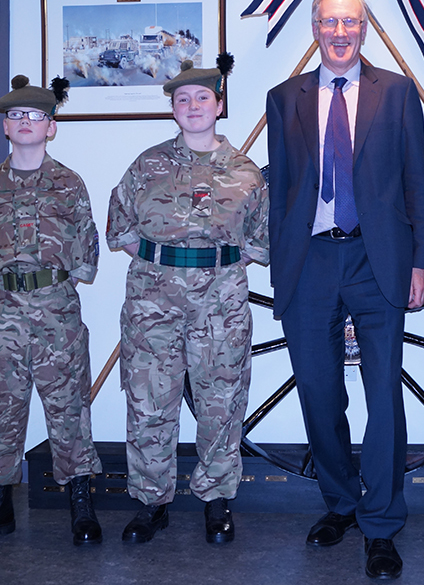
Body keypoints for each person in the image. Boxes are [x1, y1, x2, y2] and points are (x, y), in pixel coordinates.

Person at [265, 0, 424, 580]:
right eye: (330, 22)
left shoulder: (399, 92)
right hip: (309, 261)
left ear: (365, 28)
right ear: (315, 28)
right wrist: (280, 265)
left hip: (378, 259)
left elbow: (416, 181)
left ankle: (382, 524)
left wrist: (421, 262)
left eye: (351, 22)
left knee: (383, 394)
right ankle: (340, 502)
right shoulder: (283, 98)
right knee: (317, 391)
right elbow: (281, 192)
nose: (341, 33)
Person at [106, 55, 269, 545]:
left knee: (222, 401)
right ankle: (151, 501)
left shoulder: (247, 173)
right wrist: (167, 264)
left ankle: (216, 499)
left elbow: (258, 242)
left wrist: (208, 269)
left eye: (202, 97)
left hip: (221, 303)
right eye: (183, 99)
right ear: (173, 109)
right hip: (151, 301)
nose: (193, 106)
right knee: (149, 400)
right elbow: (121, 228)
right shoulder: (147, 166)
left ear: (219, 105)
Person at [0, 75, 102, 546]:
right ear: (5, 126)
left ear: (50, 127)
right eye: (15, 115)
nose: (24, 122)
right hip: (3, 311)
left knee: (69, 406)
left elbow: (87, 245)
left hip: (57, 310)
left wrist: (55, 283)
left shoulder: (69, 184)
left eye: (34, 115)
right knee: (0, 405)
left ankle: (80, 501)